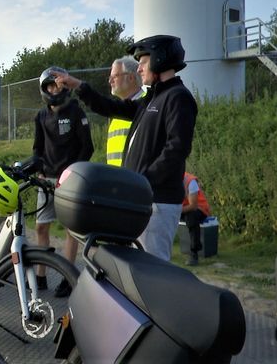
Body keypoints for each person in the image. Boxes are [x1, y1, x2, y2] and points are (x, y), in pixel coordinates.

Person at [55, 35, 198, 261]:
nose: (139, 69)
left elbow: (176, 149)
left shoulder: (177, 97)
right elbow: (111, 106)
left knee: (153, 270)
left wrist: (143, 181)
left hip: (158, 201)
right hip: (142, 198)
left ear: (160, 59)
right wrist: (79, 86)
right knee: (133, 266)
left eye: (143, 62)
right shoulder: (153, 98)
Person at [33, 66, 94, 297]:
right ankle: (40, 275)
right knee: (41, 227)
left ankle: (68, 278)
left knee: (71, 230)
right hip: (46, 180)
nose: (54, 89)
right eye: (50, 85)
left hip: (69, 181)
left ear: (65, 86)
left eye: (58, 84)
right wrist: (39, 170)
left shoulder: (76, 112)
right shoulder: (40, 116)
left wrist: (72, 173)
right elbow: (37, 148)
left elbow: (87, 147)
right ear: (44, 89)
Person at [106, 56, 145, 167]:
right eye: (110, 77)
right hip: (117, 178)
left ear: (131, 77)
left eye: (115, 76)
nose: (110, 81)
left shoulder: (146, 105)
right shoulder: (118, 110)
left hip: (134, 178)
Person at [181, 172, 211, 266]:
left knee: (191, 217)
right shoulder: (168, 178)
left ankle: (194, 253)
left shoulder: (190, 181)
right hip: (182, 208)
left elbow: (193, 206)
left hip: (199, 208)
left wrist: (176, 211)